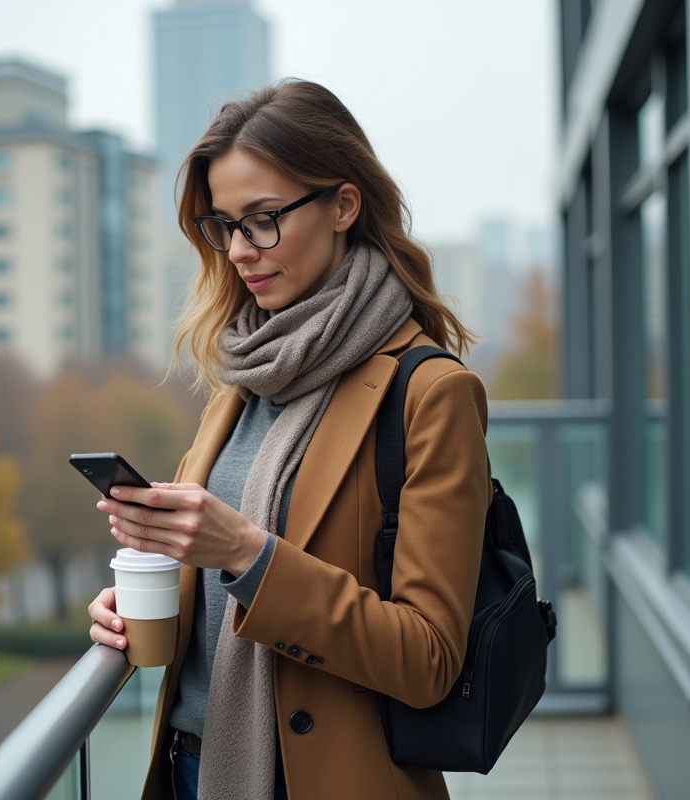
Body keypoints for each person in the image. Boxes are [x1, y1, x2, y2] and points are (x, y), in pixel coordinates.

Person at [87, 80, 490, 800]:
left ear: (343, 204)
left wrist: (245, 552)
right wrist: (144, 596)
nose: (240, 250)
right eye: (224, 225)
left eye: (264, 218)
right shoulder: (243, 375)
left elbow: (430, 658)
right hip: (192, 770)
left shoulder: (430, 393)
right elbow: (219, 596)